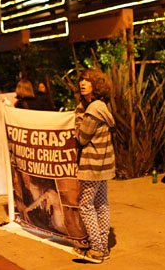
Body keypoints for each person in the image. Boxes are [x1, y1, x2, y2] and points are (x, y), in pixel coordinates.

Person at [72, 68, 115, 264]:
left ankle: (96, 249)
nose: (82, 83)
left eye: (87, 81)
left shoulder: (91, 110)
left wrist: (78, 114)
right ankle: (103, 246)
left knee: (85, 206)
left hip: (92, 163)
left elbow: (81, 137)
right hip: (104, 163)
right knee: (101, 204)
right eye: (81, 80)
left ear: (95, 85)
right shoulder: (102, 106)